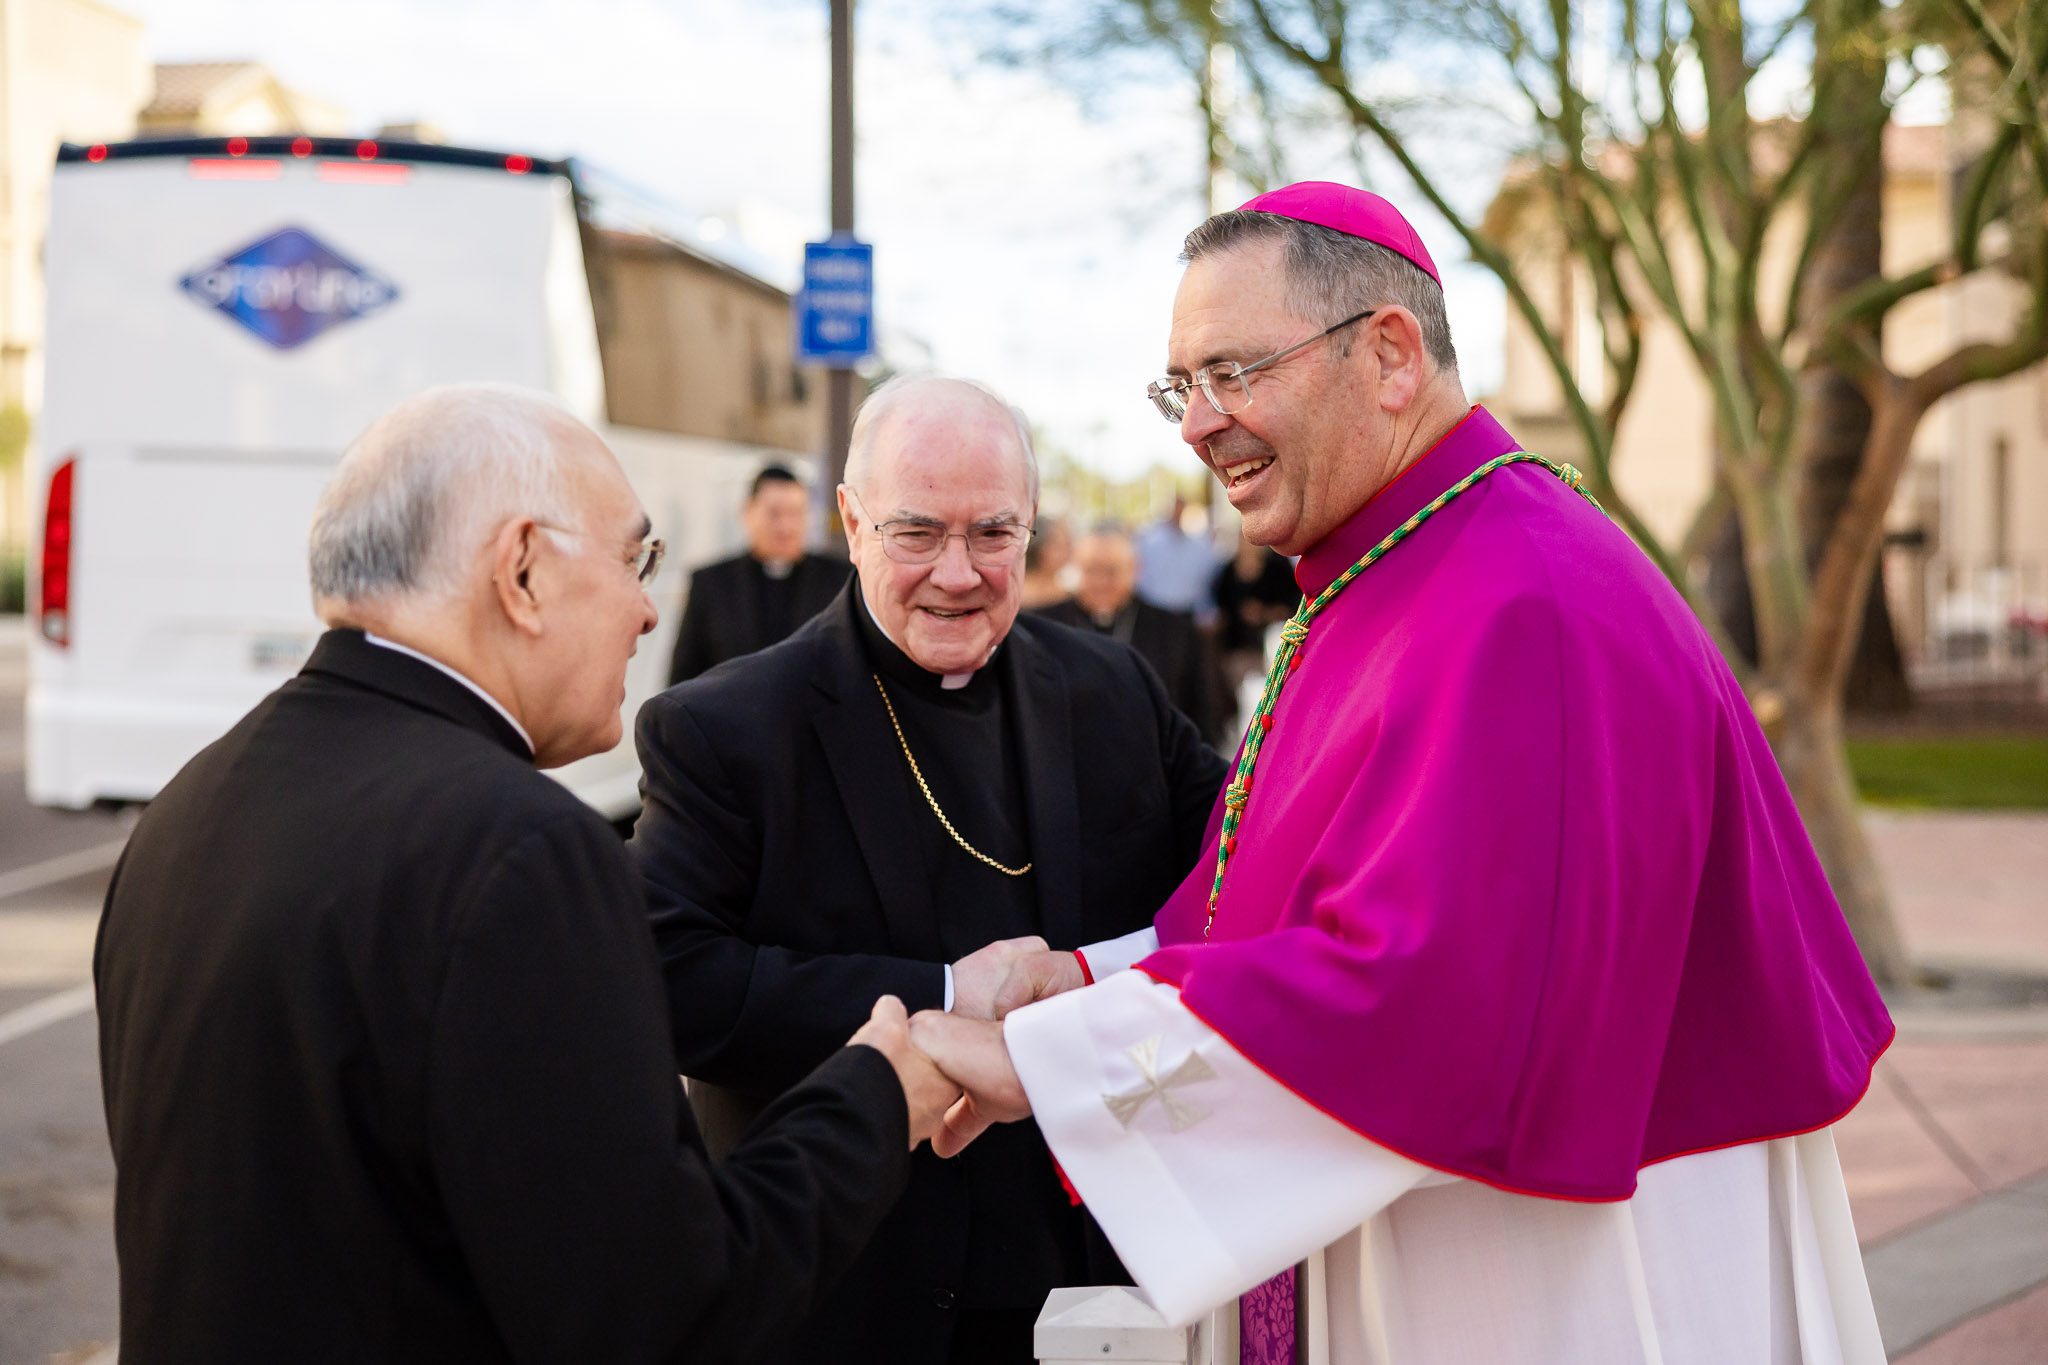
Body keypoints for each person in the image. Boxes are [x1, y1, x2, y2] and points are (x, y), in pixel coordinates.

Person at [908, 184, 1895, 1365]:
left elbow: (1434, 995)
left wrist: (1053, 1066)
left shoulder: (1522, 599)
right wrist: (1077, 982)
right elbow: (1280, 911)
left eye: (1231, 372)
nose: (1196, 425)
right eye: (1180, 387)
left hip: (1557, 1280)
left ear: (1386, 354)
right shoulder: (1393, 569)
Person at [95, 383, 961, 1365]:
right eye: (633, 559)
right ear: (521, 571)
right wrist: (879, 1097)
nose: (646, 611)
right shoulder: (521, 852)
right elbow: (663, 1313)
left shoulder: (190, 806)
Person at [629, 373, 1228, 1365]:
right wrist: (941, 997)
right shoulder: (725, 728)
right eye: (916, 532)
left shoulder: (1112, 689)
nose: (957, 573)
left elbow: (1243, 864)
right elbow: (667, 975)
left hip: (1086, 1274)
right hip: (855, 1286)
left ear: (1032, 528)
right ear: (851, 522)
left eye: (992, 533)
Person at [667, 463, 850, 684]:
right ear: (747, 512)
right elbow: (683, 676)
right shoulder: (711, 583)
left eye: (795, 513)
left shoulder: (841, 578)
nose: (785, 527)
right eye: (774, 513)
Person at [1035, 524, 1214, 738]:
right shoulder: (1045, 626)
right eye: (1091, 570)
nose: (1101, 582)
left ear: (1135, 569)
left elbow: (1201, 711)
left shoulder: (1174, 631)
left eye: (1111, 571)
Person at [1132, 492, 1218, 621]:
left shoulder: (1199, 544)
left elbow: (1205, 578)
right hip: (1155, 608)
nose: (1178, 513)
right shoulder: (1150, 540)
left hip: (1187, 610)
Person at [1019, 511, 1073, 608]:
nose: (1068, 551)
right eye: (1057, 546)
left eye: (1067, 545)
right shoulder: (1013, 595)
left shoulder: (1069, 596)